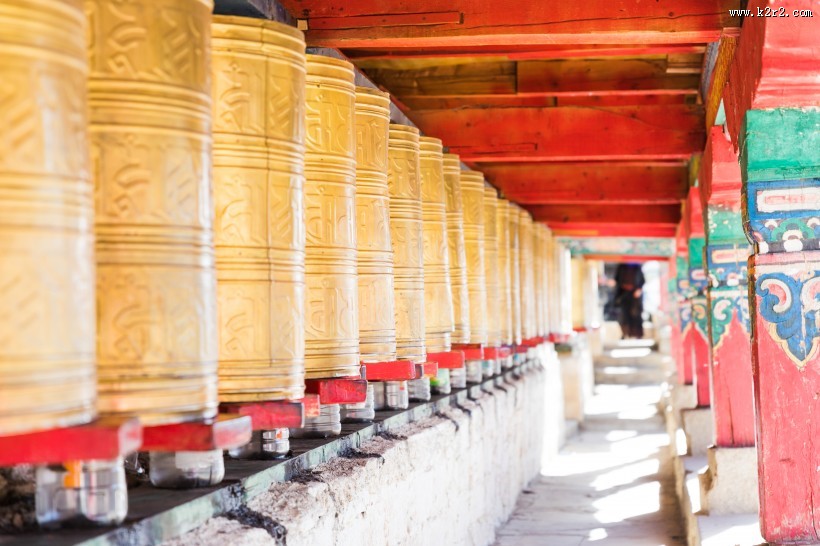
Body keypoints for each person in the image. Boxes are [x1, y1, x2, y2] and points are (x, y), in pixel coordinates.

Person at [614, 263, 645, 339]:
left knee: (636, 314)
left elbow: (642, 280)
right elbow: (617, 279)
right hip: (624, 294)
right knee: (624, 315)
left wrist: (639, 290)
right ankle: (625, 333)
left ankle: (637, 334)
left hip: (634, 294)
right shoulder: (621, 266)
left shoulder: (637, 266)